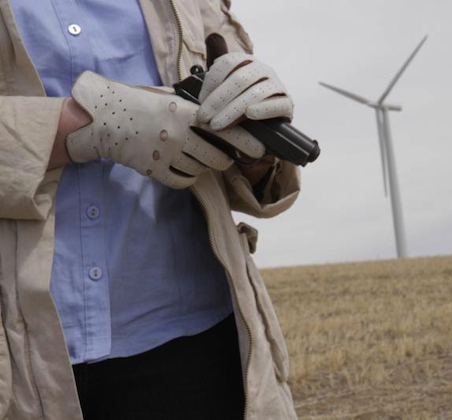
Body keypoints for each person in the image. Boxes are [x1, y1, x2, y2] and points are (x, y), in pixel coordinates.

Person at [0, 1, 300, 419]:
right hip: (21, 370)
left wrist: (256, 140)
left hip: (201, 350)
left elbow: (244, 167)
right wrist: (85, 126)